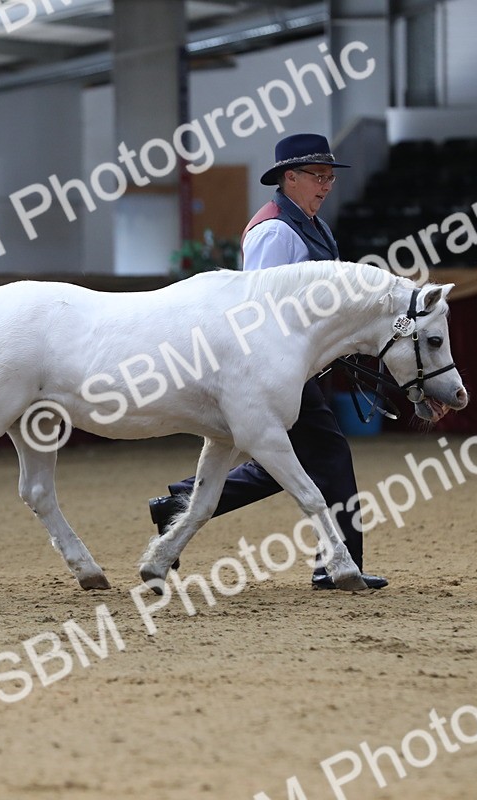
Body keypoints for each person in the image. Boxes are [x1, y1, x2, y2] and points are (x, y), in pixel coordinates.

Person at [148, 132, 388, 590]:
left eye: (330, 177)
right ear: (289, 178)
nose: (326, 185)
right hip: (272, 368)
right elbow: (257, 307)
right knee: (325, 454)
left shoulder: (313, 225)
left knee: (289, 458)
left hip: (296, 366)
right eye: (318, 176)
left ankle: (177, 505)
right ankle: (338, 565)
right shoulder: (276, 230)